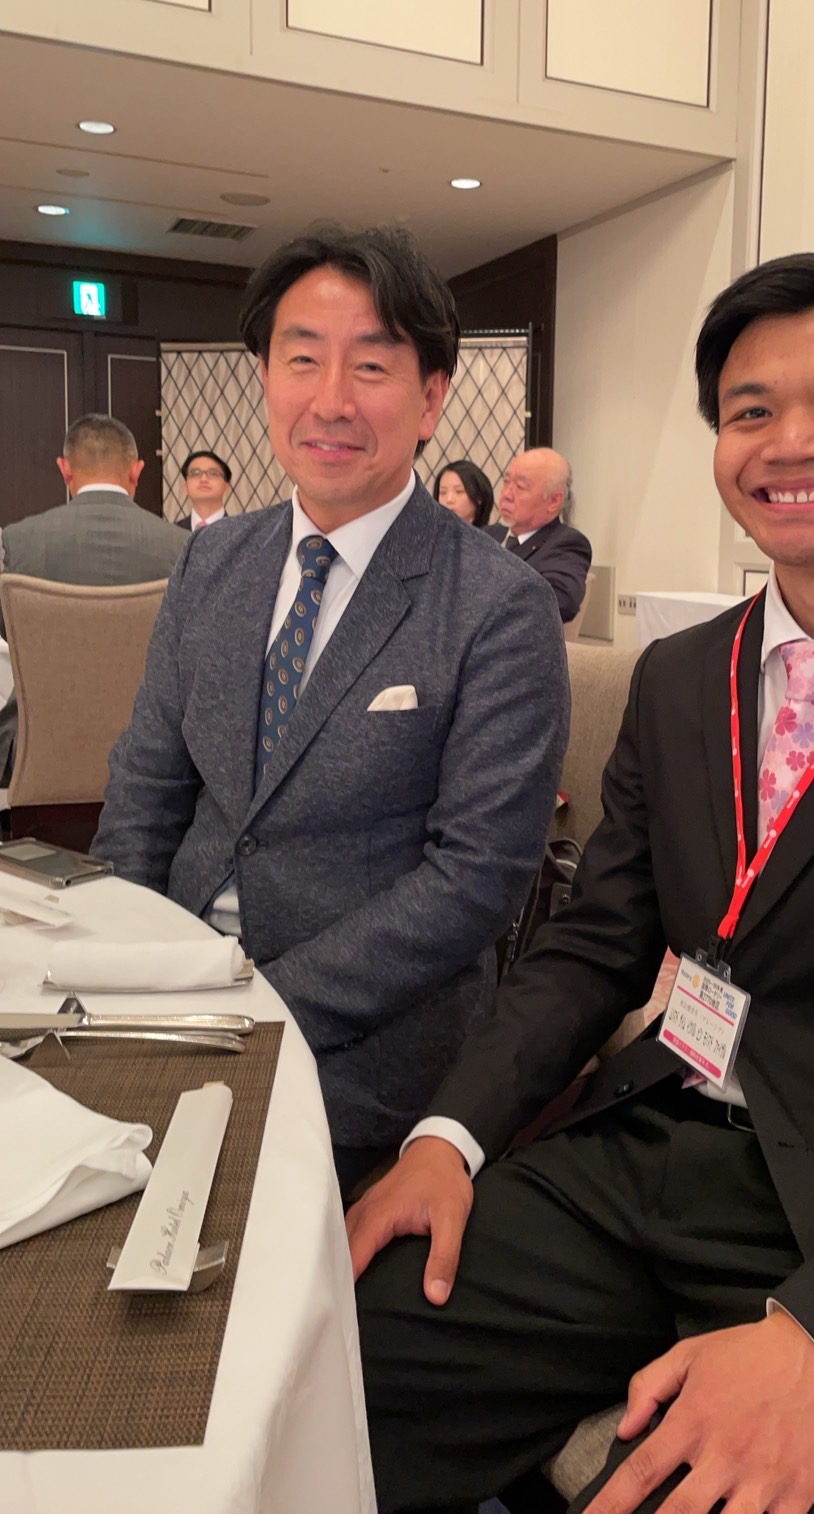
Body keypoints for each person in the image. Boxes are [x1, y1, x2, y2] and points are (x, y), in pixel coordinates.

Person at [350, 252, 814, 1514]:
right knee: (333, 1352)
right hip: (644, 1141)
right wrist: (448, 1135)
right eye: (750, 409)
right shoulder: (683, 676)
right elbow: (595, 943)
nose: (792, 440)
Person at [92, 225, 569, 1194]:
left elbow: (476, 878)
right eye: (302, 358)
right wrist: (125, 960)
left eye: (373, 365)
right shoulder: (211, 560)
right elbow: (147, 785)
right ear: (265, 377)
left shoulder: (496, 602)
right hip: (170, 998)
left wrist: (257, 1006)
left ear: (431, 397)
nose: (332, 399)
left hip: (364, 1054)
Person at [0, 414, 187, 783]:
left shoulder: (16, 543)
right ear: (136, 471)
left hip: (38, 755)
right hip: (159, 761)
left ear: (65, 469)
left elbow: (11, 641)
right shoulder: (185, 547)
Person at [488, 447, 592, 622]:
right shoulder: (487, 535)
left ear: (553, 501)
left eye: (520, 487)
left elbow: (560, 602)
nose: (506, 494)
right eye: (506, 482)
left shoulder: (566, 543)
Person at [177, 449, 232, 530]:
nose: (204, 479)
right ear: (186, 487)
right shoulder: (172, 532)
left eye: (213, 473)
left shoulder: (242, 533)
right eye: (196, 473)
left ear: (226, 487)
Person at [432, 460, 494, 528]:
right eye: (443, 492)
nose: (449, 500)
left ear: (479, 497)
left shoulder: (491, 533)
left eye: (459, 491)